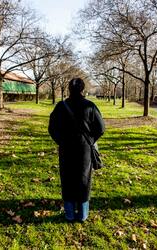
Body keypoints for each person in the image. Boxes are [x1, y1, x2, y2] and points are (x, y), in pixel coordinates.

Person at [48, 78, 105, 222]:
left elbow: (52, 128)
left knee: (67, 179)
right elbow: (101, 128)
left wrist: (61, 141)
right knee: (84, 179)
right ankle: (82, 215)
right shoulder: (90, 106)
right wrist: (91, 140)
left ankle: (69, 214)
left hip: (66, 149)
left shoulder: (61, 106)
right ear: (83, 89)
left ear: (68, 89)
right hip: (84, 149)